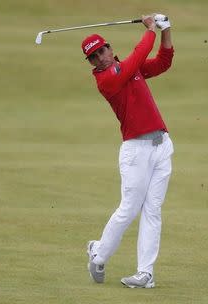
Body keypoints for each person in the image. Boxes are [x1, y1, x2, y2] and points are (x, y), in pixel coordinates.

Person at [82, 13, 174, 288]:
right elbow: (139, 54)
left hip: (162, 146)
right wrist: (150, 30)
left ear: (110, 48)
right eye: (93, 57)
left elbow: (162, 63)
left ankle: (145, 274)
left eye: (102, 51)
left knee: (153, 210)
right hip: (136, 151)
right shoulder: (107, 80)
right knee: (129, 209)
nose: (100, 58)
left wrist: (166, 30)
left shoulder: (129, 68)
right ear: (91, 63)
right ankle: (99, 254)